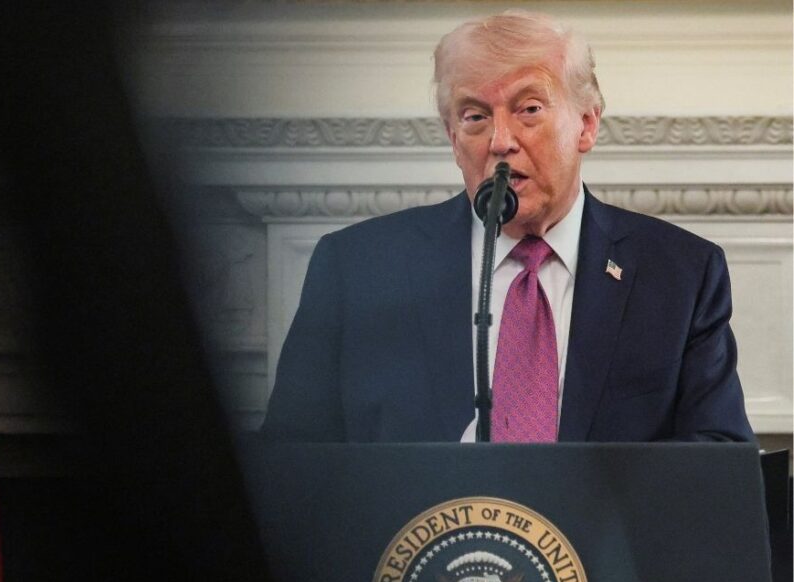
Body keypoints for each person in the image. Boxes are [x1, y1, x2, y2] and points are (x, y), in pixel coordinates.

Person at [261, 10, 753, 444]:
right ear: (454, 140)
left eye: (529, 109)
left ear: (586, 124)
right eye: (474, 116)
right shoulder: (357, 269)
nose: (500, 141)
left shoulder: (681, 273)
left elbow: (716, 457)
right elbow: (293, 462)